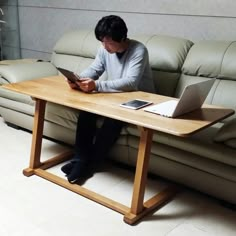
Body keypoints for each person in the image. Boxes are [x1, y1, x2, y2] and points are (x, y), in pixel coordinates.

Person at [61, 15, 155, 183]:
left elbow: (131, 82)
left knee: (113, 120)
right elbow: (95, 69)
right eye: (102, 42)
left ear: (122, 38)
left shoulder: (139, 50)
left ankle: (89, 165)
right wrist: (78, 79)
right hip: (116, 97)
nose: (104, 46)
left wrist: (96, 86)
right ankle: (80, 159)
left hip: (140, 100)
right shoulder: (104, 49)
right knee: (87, 112)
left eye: (109, 42)